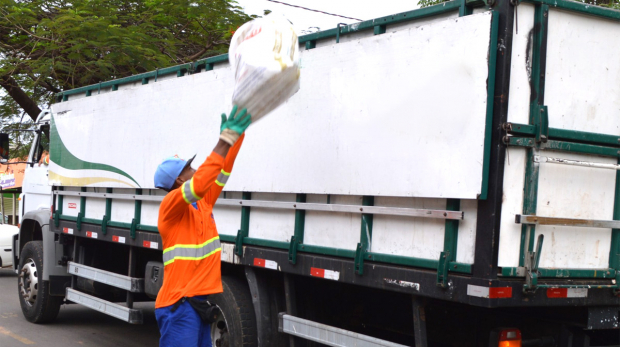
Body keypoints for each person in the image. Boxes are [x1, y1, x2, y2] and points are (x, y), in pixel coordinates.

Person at [153, 106, 252, 347]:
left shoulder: (202, 204)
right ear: (179, 180)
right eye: (188, 168)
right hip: (179, 306)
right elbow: (200, 182)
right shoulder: (170, 205)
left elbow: (222, 170)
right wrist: (222, 140)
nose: (194, 169)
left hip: (196, 302)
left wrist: (233, 140)